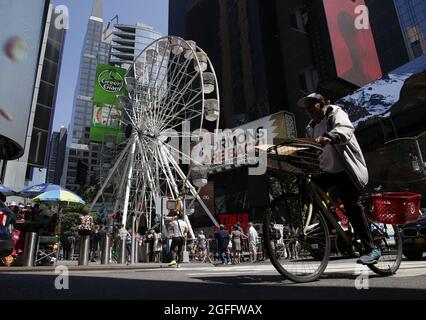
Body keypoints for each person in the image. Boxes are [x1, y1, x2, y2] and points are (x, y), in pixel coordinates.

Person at [297, 93, 380, 265]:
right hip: (328, 171)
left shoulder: (335, 113)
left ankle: (372, 248)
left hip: (346, 169)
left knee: (352, 205)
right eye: (307, 110)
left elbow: (345, 129)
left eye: (312, 107)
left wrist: (330, 136)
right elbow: (311, 149)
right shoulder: (310, 127)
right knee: (309, 190)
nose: (310, 112)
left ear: (322, 104)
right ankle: (331, 226)